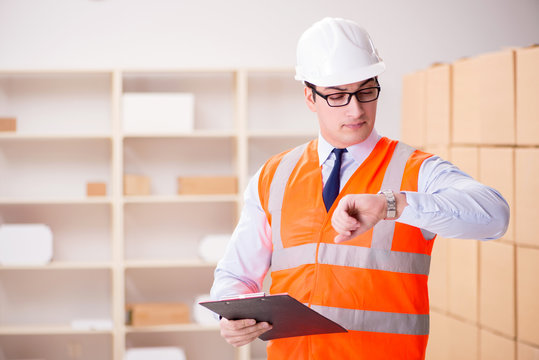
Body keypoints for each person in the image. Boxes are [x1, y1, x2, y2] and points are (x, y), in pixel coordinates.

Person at [210, 17, 509, 359]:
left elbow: (495, 216)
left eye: (366, 91)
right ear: (310, 96)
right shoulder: (273, 175)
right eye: (338, 96)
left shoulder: (414, 169)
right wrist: (231, 315)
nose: (356, 109)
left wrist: (392, 205)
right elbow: (236, 274)